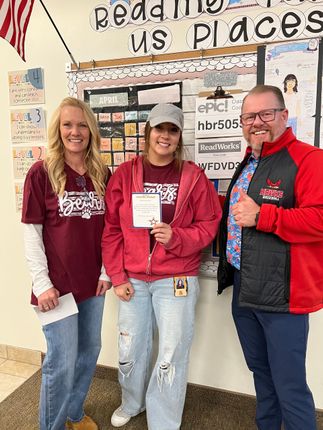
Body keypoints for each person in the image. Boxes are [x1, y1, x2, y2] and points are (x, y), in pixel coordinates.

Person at [102, 103, 222, 430]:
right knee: (130, 345)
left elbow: (210, 223)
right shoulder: (125, 175)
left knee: (171, 352)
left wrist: (177, 237)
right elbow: (111, 228)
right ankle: (132, 403)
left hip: (176, 280)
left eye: (172, 130)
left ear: (179, 137)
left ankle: (164, 421)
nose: (164, 136)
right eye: (159, 129)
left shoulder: (193, 177)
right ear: (148, 132)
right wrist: (116, 275)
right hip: (133, 280)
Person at [217, 84, 323, 430]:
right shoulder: (250, 161)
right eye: (250, 116)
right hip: (244, 289)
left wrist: (265, 216)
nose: (257, 122)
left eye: (266, 114)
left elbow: (320, 218)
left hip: (282, 299)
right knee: (261, 374)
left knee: (290, 386)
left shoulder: (309, 159)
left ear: (283, 116)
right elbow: (237, 213)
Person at [22, 97, 112, 430]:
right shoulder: (41, 172)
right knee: (61, 362)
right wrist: (42, 283)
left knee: (90, 350)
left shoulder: (102, 172)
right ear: (58, 130)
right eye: (67, 125)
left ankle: (73, 412)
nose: (75, 132)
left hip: (95, 283)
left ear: (91, 130)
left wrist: (107, 271)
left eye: (82, 125)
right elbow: (31, 232)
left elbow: (111, 229)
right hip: (56, 286)